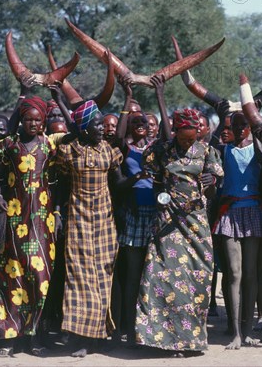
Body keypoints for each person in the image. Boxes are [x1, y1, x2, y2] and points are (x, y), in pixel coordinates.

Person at [0, 79, 73, 356]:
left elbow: (57, 185)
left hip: (42, 223)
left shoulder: (49, 147)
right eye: (29, 119)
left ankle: (33, 336)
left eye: (38, 120)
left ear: (43, 122)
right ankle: (8, 336)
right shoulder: (7, 145)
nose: (34, 124)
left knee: (40, 276)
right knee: (10, 276)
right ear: (22, 119)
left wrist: (57, 213)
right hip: (13, 220)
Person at [135, 77, 224, 357]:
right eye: (183, 137)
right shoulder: (161, 151)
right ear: (175, 132)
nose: (188, 142)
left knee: (197, 277)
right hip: (168, 223)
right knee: (161, 277)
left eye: (192, 137)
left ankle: (190, 340)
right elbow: (157, 186)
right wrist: (162, 203)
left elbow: (213, 189)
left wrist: (210, 183)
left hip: (196, 223)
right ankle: (160, 339)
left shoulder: (206, 152)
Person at [55, 99, 126, 357]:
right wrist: (57, 212)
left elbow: (118, 184)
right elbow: (60, 185)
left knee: (103, 278)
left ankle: (99, 335)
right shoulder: (69, 150)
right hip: (78, 220)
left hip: (105, 223)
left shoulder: (108, 150)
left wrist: (139, 180)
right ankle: (83, 338)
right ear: (84, 129)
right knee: (79, 279)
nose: (101, 128)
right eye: (96, 124)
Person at [212, 112, 262, 349]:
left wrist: (257, 129)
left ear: (250, 127)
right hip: (230, 212)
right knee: (234, 274)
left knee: (250, 274)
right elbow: (210, 146)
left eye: (243, 126)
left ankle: (246, 330)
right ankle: (235, 331)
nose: (238, 130)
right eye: (234, 126)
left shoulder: (258, 149)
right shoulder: (224, 150)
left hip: (253, 211)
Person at [109, 82, 158, 345]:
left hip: (155, 213)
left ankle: (145, 325)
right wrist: (127, 101)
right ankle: (125, 326)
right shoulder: (124, 147)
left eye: (145, 122)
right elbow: (117, 135)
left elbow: (171, 137)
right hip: (134, 213)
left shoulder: (155, 147)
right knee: (131, 272)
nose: (140, 124)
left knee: (150, 273)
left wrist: (160, 96)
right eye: (135, 121)